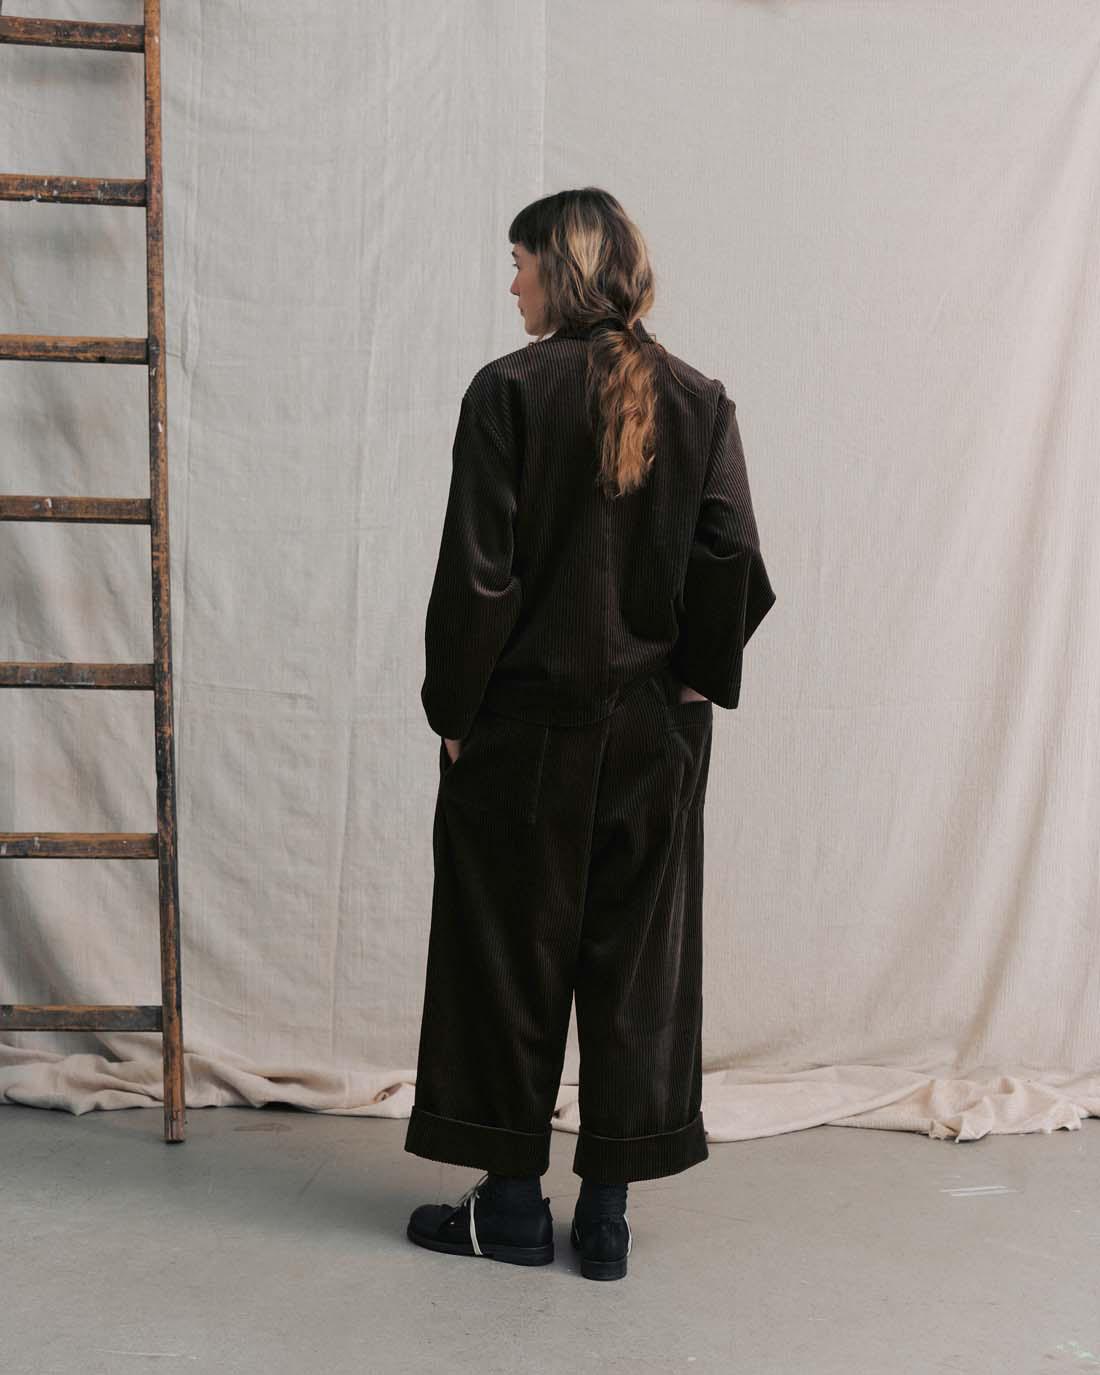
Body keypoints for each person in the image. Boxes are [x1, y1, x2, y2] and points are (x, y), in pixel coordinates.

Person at [404, 188, 776, 1280]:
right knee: (636, 966)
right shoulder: (699, 400)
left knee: (503, 959)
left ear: (560, 271)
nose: (510, 282)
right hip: (655, 738)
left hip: (521, 732)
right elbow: (732, 553)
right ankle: (606, 1214)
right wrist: (693, 681)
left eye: (518, 261)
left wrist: (456, 714)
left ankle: (512, 1207)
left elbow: (478, 575)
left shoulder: (507, 392)